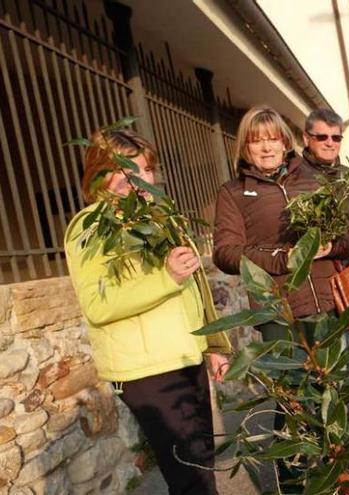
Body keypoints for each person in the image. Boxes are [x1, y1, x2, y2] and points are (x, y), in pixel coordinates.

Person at [212, 106, 349, 485]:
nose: (266, 148)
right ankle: (295, 483)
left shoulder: (314, 178)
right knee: (295, 402)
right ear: (245, 148)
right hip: (280, 312)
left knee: (334, 392)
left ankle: (339, 476)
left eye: (272, 138)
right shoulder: (234, 193)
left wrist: (331, 245)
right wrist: (282, 258)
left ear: (286, 141)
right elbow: (226, 252)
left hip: (329, 303)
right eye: (256, 141)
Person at [65, 129, 228, 495]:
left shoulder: (161, 218)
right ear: (100, 175)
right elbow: (98, 304)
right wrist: (166, 276)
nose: (141, 180)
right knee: (192, 478)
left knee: (200, 466)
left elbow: (196, 287)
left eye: (147, 169)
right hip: (147, 371)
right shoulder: (90, 226)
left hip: (187, 357)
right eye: (128, 170)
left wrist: (214, 343)